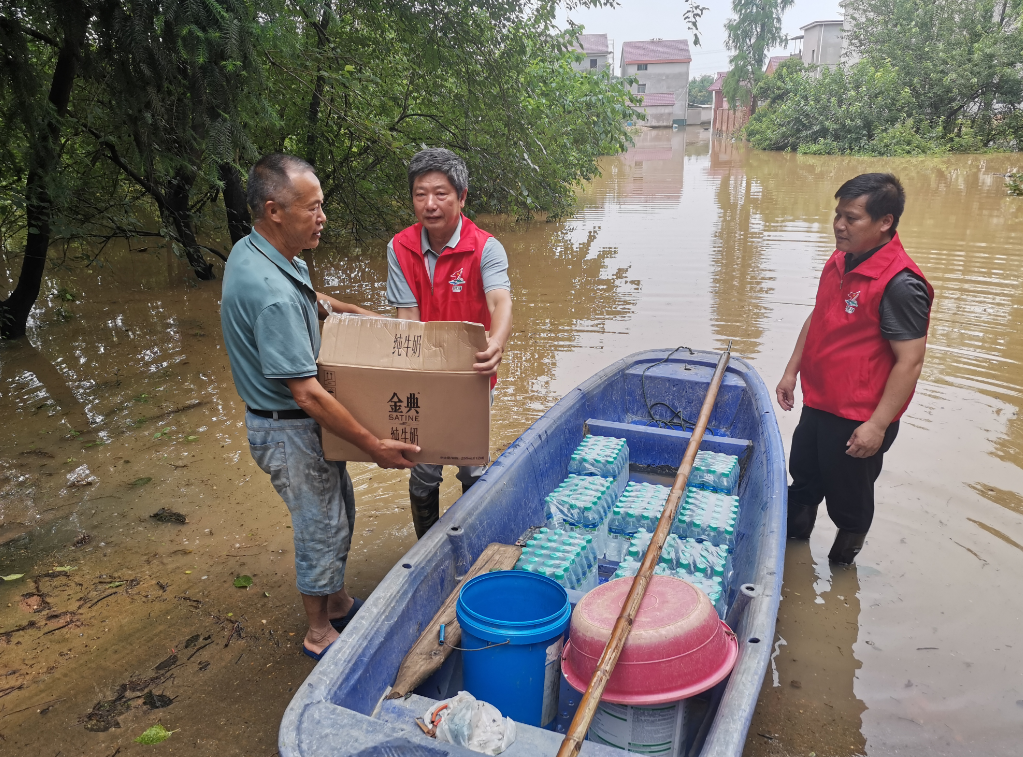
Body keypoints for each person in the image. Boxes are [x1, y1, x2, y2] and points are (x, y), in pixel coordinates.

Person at [220, 154, 419, 661]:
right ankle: (317, 633)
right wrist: (374, 445)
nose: (322, 216)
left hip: (301, 425)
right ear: (275, 211)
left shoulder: (262, 252)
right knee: (320, 524)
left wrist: (361, 317)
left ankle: (336, 601)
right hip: (287, 428)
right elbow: (306, 392)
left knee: (341, 509)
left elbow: (313, 298)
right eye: (312, 208)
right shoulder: (270, 296)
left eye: (322, 205)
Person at [776, 173, 933, 565]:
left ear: (885, 222)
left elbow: (909, 361)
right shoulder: (839, 260)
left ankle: (843, 569)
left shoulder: (899, 283)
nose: (839, 226)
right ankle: (792, 558)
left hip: (858, 417)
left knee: (850, 502)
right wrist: (792, 370)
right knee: (804, 481)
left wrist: (877, 425)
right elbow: (820, 316)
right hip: (820, 401)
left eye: (852, 218)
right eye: (837, 215)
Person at [385, 148, 513, 538]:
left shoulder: (485, 247)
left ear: (462, 197)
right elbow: (406, 318)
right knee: (421, 466)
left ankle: (475, 542)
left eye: (441, 194)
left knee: (472, 464)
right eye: (421, 194)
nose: (430, 204)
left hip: (473, 374)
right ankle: (425, 548)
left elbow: (500, 300)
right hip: (424, 378)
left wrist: (496, 343)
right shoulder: (399, 247)